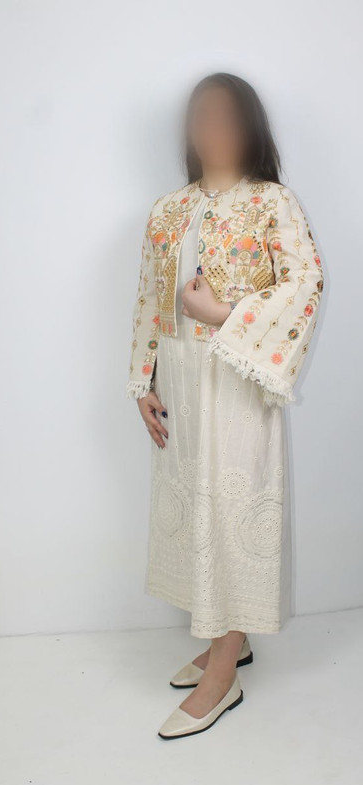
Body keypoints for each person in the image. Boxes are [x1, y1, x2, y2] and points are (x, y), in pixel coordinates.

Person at [127, 73, 323, 740]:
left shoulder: (273, 202)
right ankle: (227, 644)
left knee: (233, 512)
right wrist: (142, 382)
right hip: (182, 386)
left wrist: (223, 314)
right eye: (201, 117)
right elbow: (149, 299)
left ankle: (223, 671)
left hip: (239, 383)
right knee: (198, 513)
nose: (212, 129)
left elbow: (306, 283)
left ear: (250, 127)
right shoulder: (167, 209)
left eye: (226, 117)